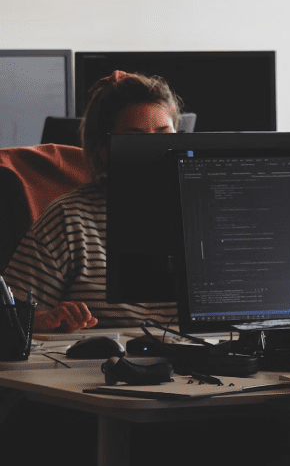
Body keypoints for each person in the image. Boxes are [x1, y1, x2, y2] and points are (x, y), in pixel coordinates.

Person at [2, 71, 180, 331]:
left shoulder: (207, 209)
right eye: (135, 138)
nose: (153, 149)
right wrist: (42, 320)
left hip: (209, 361)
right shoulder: (70, 218)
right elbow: (7, 320)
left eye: (164, 135)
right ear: (103, 150)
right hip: (106, 366)